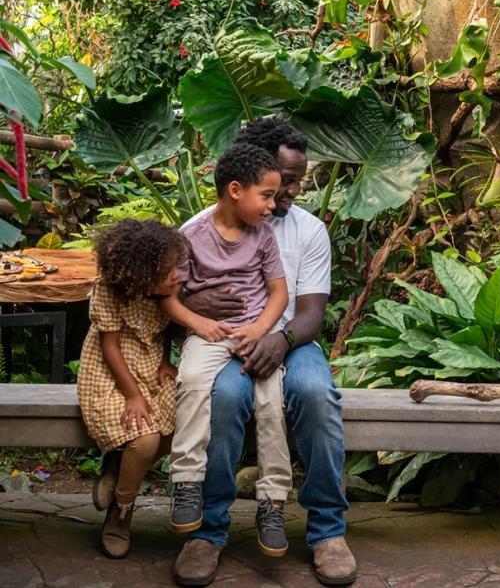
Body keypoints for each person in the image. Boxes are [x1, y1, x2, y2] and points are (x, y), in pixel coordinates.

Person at [174, 117, 356, 587]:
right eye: (283, 180)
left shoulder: (309, 230)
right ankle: (206, 533)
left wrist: (279, 340)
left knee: (316, 394)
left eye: (294, 181)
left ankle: (327, 533)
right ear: (250, 177)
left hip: (292, 341)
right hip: (228, 341)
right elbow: (168, 295)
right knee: (226, 398)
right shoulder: (196, 230)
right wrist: (196, 304)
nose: (291, 191)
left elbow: (312, 312)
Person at [162, 142, 292, 558]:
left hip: (253, 333)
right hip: (209, 333)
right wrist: (198, 323)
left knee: (272, 401)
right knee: (195, 380)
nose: (273, 205)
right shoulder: (191, 236)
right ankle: (186, 482)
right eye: (267, 195)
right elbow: (169, 297)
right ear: (235, 190)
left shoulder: (263, 236)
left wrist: (258, 330)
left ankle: (272, 501)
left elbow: (279, 293)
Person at [77, 219, 185, 559]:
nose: (177, 276)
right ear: (142, 274)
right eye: (168, 271)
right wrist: (134, 396)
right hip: (111, 371)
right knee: (145, 436)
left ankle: (116, 467)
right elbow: (110, 347)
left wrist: (166, 362)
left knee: (178, 427)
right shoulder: (111, 289)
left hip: (150, 362)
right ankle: (121, 514)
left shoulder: (170, 289)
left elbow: (165, 329)